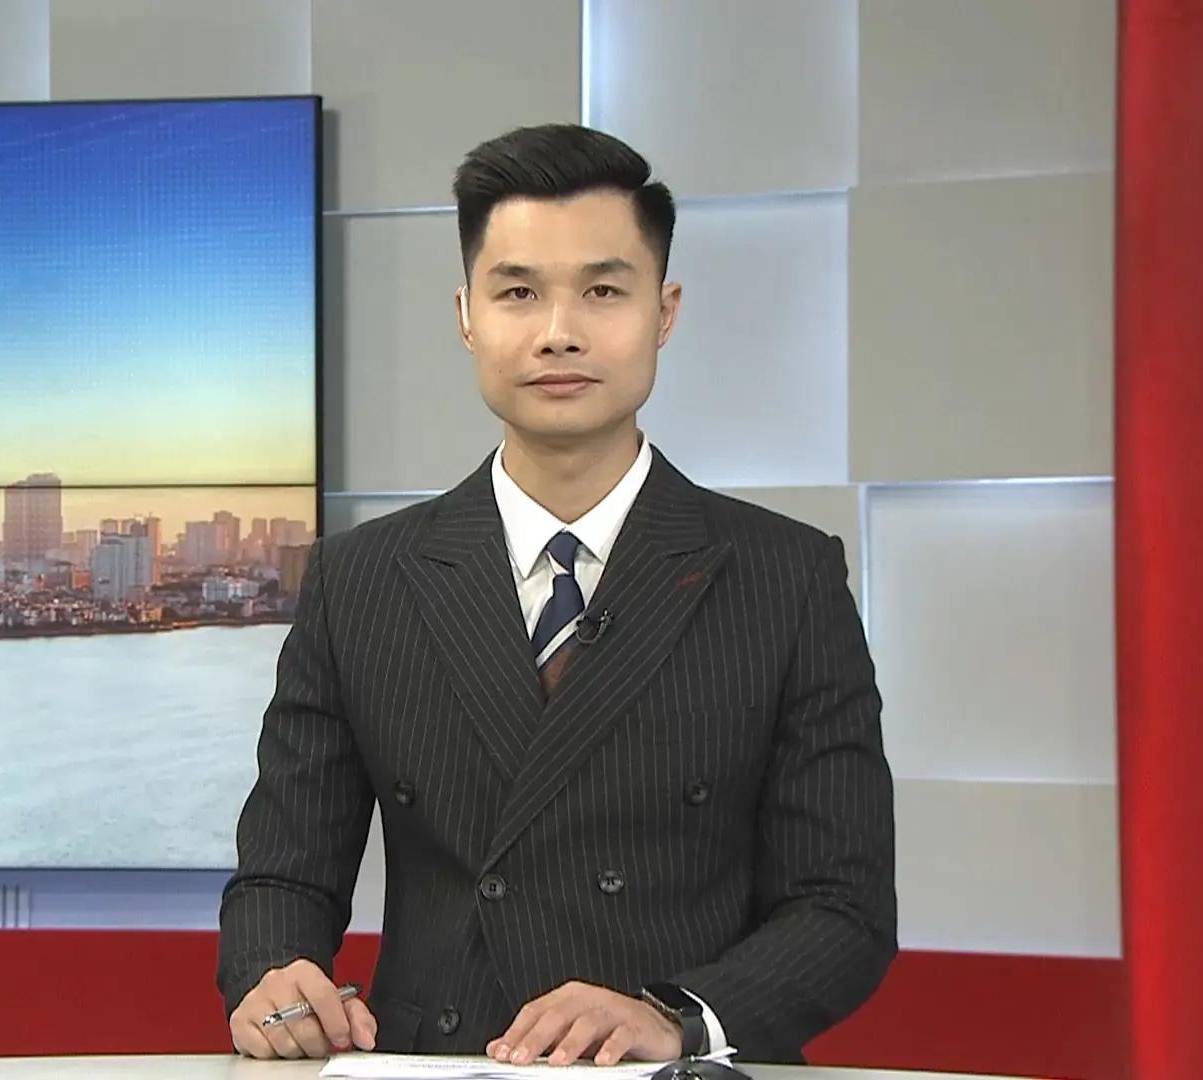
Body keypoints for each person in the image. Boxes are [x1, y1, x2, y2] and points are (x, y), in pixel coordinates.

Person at [215, 123, 897, 1069]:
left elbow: (842, 909)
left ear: (665, 312)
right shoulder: (359, 579)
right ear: (466, 316)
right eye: (518, 292)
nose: (558, 332)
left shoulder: (786, 577)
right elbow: (282, 875)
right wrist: (273, 973)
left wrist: (676, 1016)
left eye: (603, 291)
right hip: (441, 1062)